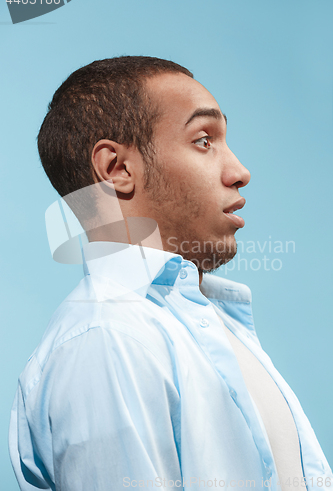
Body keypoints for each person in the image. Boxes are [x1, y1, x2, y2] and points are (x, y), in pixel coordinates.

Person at [9, 56, 332, 491]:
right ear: (117, 169)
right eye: (204, 140)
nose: (239, 172)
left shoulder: (211, 327)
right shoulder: (109, 340)